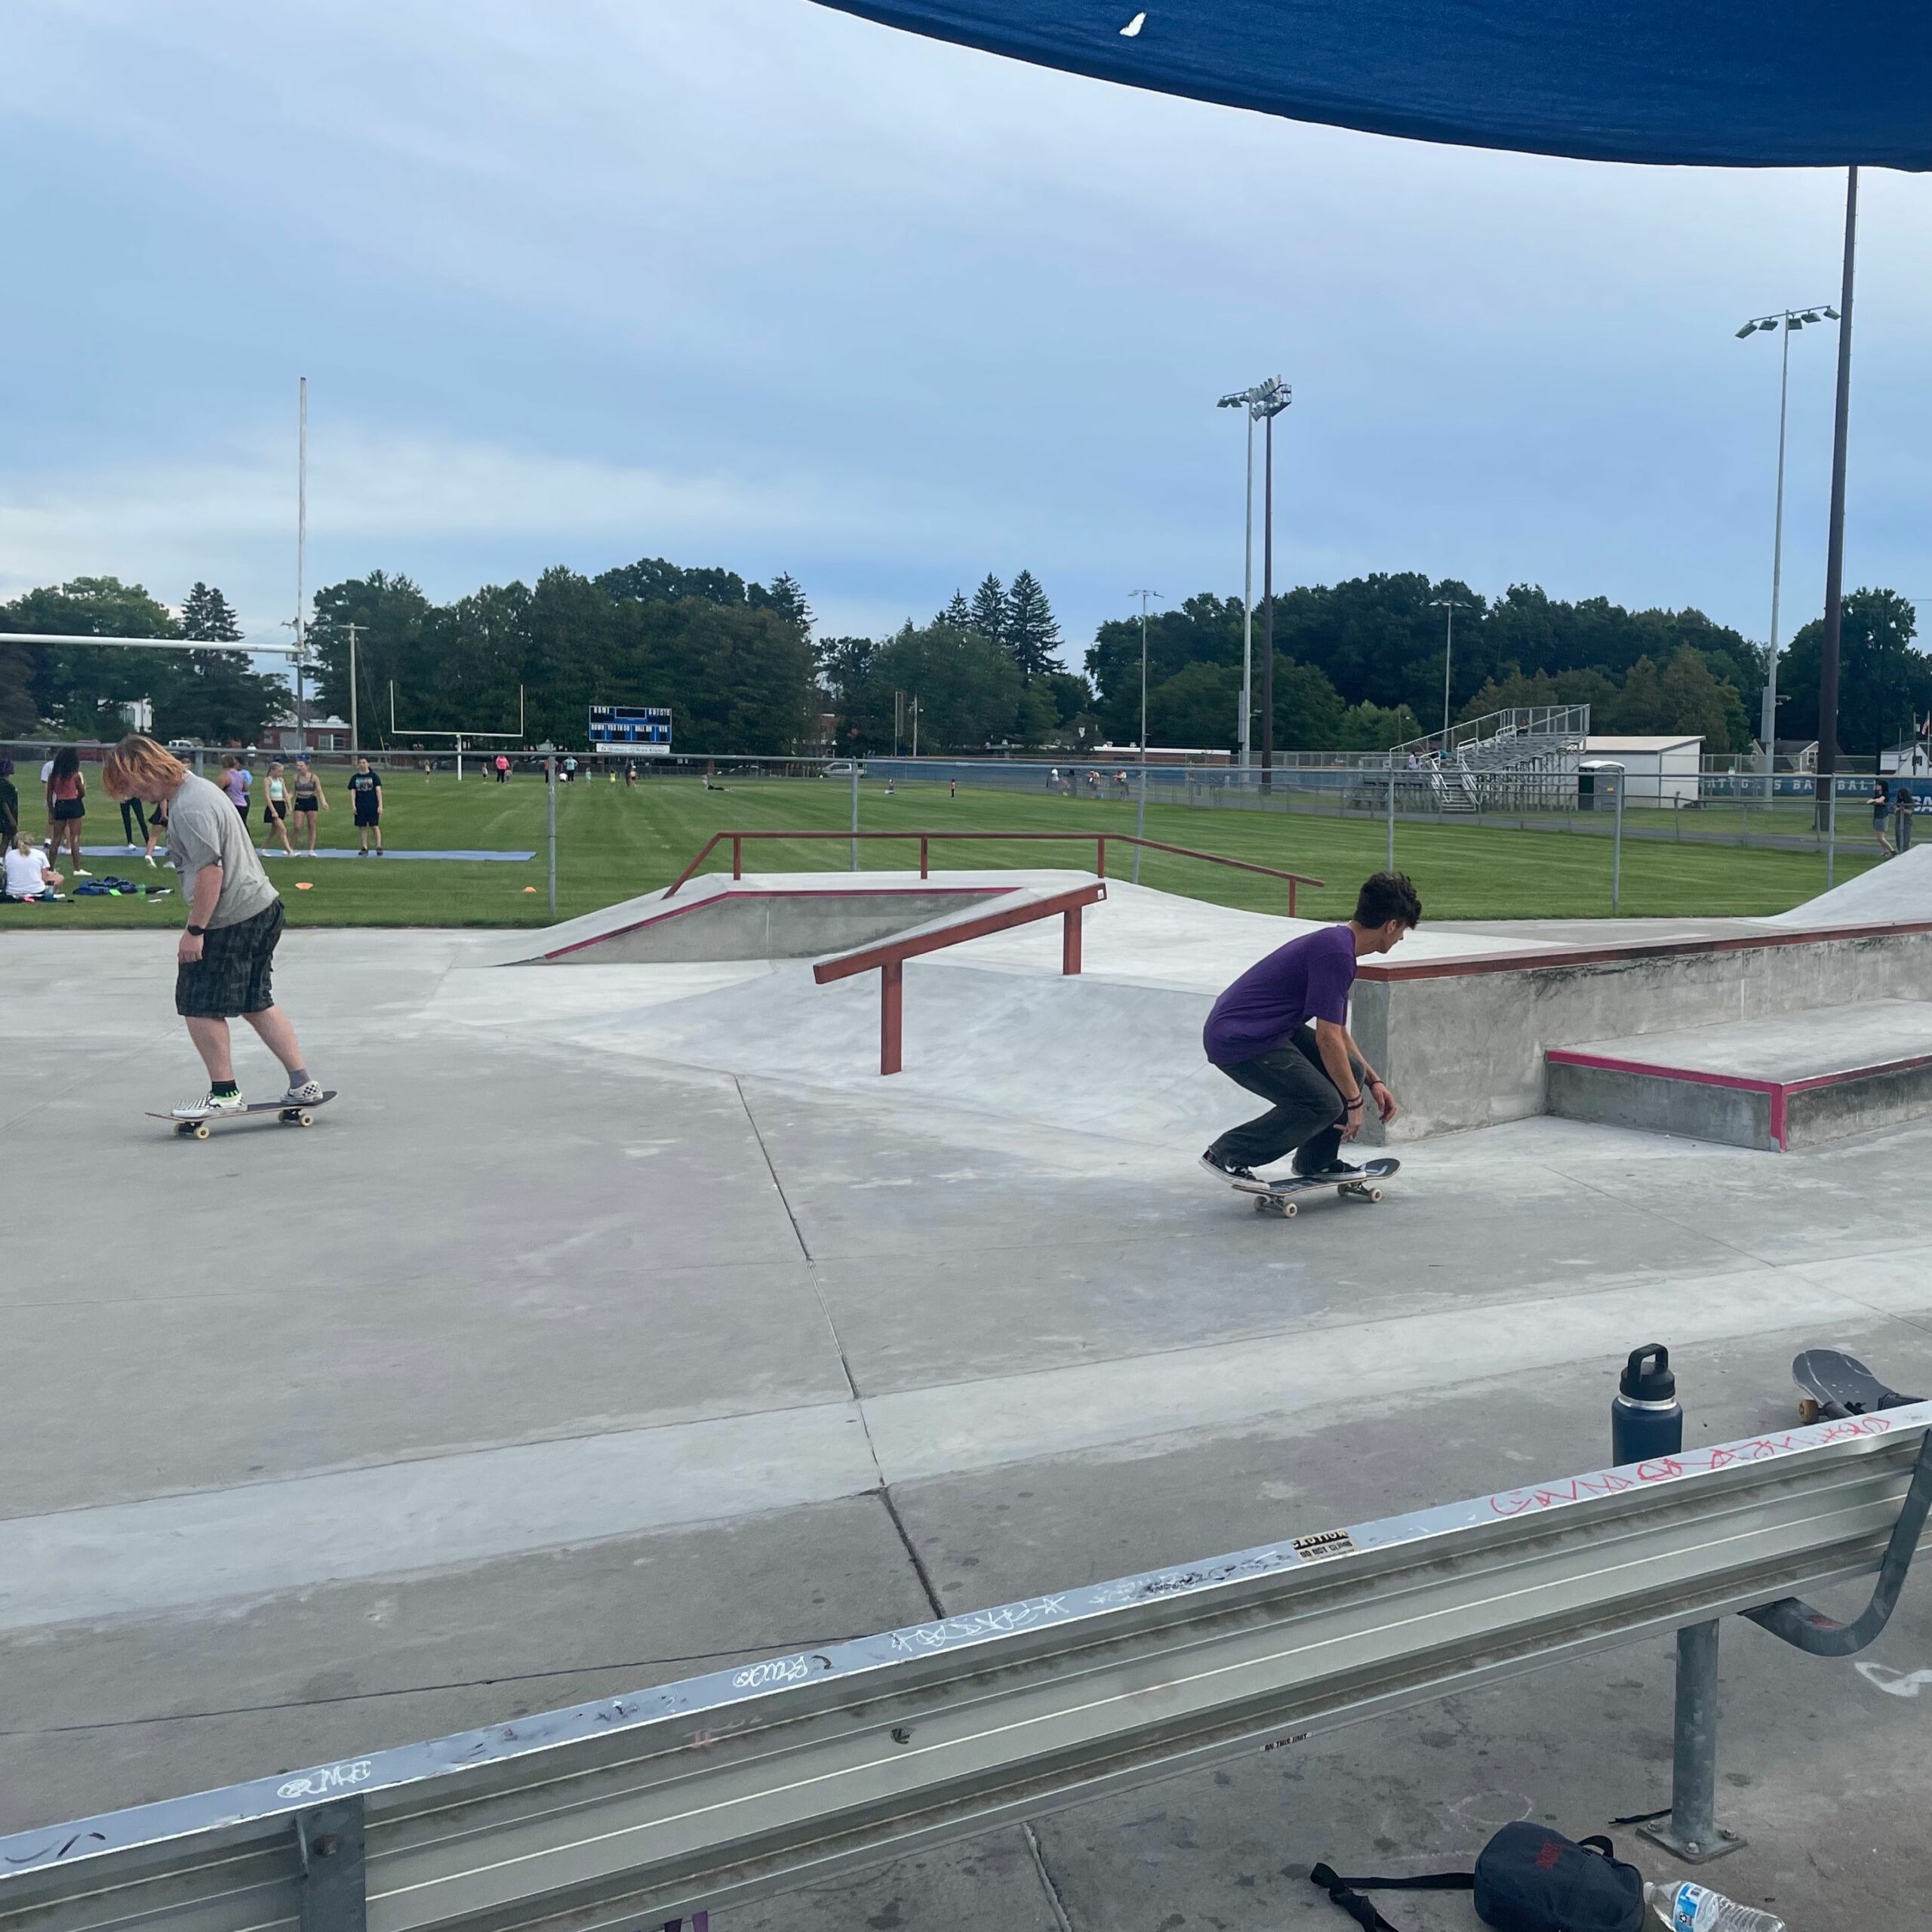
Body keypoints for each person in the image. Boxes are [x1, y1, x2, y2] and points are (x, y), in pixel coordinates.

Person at [100, 735, 322, 1120]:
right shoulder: (198, 789)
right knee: (256, 1000)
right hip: (262, 906)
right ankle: (303, 1082)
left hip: (230, 916)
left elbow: (211, 871)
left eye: (128, 785)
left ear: (144, 771)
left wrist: (195, 931)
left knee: (197, 1001)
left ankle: (225, 1093)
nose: (130, 794)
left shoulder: (190, 807)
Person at [1198, 872, 1422, 1184]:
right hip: (1239, 1038)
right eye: (1403, 931)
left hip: (1268, 1030)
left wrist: (1373, 1081)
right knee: (1323, 1103)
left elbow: (1338, 1033)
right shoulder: (1336, 954)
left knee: (1351, 1072)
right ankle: (1227, 1153)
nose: (1400, 939)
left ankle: (1316, 1162)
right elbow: (1327, 1039)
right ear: (1391, 925)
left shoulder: (1339, 946)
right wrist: (1354, 1104)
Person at [44, 746, 89, 877]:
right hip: (73, 804)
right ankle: (77, 868)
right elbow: (82, 793)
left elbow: (49, 796)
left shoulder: (53, 776)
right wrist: (78, 796)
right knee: (74, 837)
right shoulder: (75, 776)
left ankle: (51, 868)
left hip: (60, 804)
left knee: (56, 838)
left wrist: (52, 812)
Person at [3, 829, 63, 901]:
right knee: (59, 877)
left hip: (13, 891)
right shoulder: (40, 854)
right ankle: (52, 892)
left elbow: (8, 873)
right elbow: (43, 878)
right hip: (36, 891)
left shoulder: (9, 855)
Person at [347, 756, 384, 854]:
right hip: (360, 805)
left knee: (374, 826)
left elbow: (378, 791)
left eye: (364, 762)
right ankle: (364, 847)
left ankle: (379, 846)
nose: (362, 764)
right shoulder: (355, 778)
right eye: (360, 763)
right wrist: (353, 805)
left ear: (368, 764)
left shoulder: (374, 777)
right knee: (362, 827)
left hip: (372, 805)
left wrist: (380, 806)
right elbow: (353, 792)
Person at [291, 758, 327, 854]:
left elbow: (319, 791)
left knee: (312, 825)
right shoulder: (296, 778)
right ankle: (290, 848)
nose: (299, 768)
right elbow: (292, 792)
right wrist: (285, 799)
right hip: (300, 800)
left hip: (311, 800)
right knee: (297, 826)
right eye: (298, 766)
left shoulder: (314, 777)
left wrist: (323, 802)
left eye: (301, 766)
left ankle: (311, 849)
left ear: (307, 767)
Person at [260, 761, 296, 856]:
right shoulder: (267, 780)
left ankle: (263, 848)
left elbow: (285, 794)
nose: (280, 774)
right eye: (278, 771)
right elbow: (267, 797)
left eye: (281, 772)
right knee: (283, 830)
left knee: (274, 831)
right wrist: (273, 811)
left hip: (281, 804)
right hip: (273, 805)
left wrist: (289, 807)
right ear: (272, 771)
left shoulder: (281, 780)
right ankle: (289, 851)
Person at [1872, 778, 1896, 856]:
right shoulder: (1878, 795)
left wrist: (1876, 800)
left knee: (1881, 838)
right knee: (1879, 838)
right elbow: (1869, 801)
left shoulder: (1885, 795)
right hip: (1877, 817)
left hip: (1882, 817)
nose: (1876, 786)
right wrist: (1875, 800)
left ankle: (1893, 851)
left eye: (1878, 785)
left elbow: (1879, 800)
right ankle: (1885, 852)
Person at [0, 757, 18, 848]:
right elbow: (4, 802)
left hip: (7, 816)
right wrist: (11, 819)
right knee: (9, 839)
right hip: (8, 817)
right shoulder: (6, 785)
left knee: (8, 839)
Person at [1896, 783, 1917, 855]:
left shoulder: (1911, 801)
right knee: (1898, 837)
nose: (1900, 797)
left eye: (1901, 795)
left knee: (1906, 838)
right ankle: (1900, 851)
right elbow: (1895, 810)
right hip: (1898, 821)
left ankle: (1905, 852)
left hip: (1907, 822)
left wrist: (1903, 810)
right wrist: (1897, 809)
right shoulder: (1898, 801)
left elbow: (1911, 811)